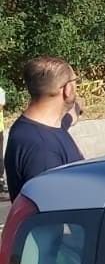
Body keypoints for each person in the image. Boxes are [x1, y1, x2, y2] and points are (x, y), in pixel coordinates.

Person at [5, 56, 85, 198]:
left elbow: (71, 116)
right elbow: (53, 208)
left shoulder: (39, 127)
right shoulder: (42, 149)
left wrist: (78, 107)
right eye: (75, 81)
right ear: (67, 89)